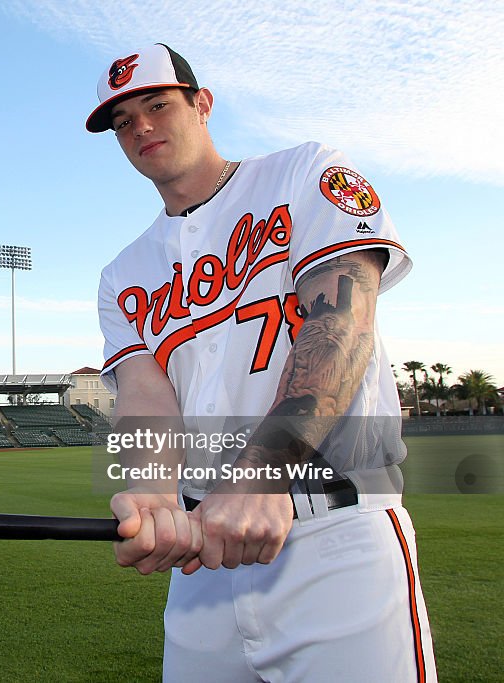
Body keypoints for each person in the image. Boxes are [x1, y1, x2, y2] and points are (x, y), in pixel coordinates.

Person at [88, 43, 436, 681]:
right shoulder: (123, 272)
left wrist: (261, 474)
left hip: (336, 535)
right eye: (121, 121)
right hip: (205, 558)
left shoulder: (303, 173)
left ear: (202, 104)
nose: (139, 127)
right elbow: (144, 392)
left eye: (157, 105)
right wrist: (154, 495)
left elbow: (341, 323)